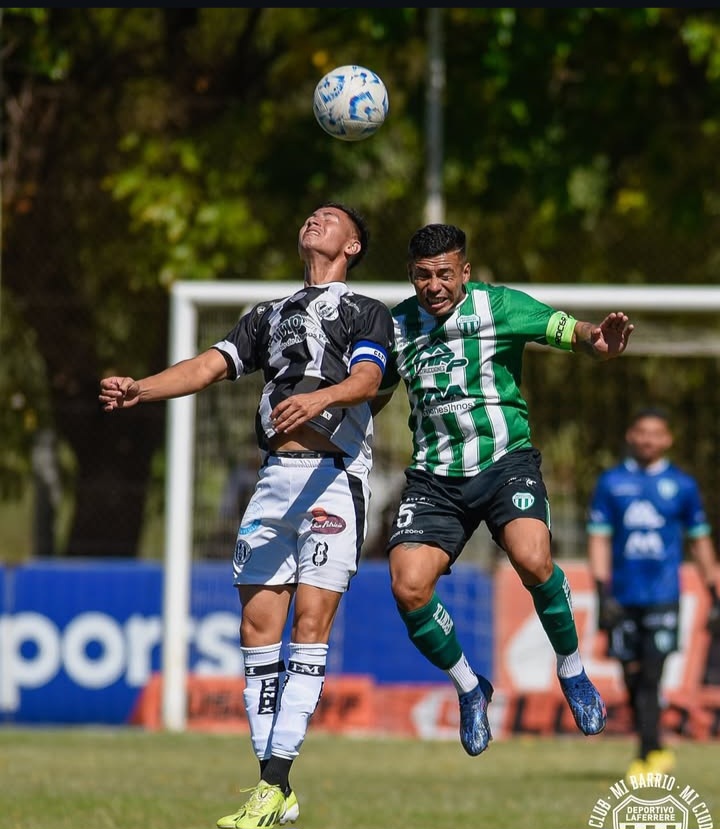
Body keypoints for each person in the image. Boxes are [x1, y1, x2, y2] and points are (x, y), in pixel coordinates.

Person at [99, 203, 394, 829]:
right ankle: (275, 790)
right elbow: (209, 367)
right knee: (260, 634)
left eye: (330, 217)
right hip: (273, 484)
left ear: (354, 245)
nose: (313, 220)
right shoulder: (268, 315)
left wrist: (318, 398)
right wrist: (141, 389)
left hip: (332, 481)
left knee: (310, 626)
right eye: (309, 214)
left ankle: (272, 784)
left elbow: (369, 378)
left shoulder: (367, 311)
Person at [371, 222, 634, 757]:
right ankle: (470, 686)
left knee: (533, 558)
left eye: (445, 274)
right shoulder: (395, 325)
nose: (434, 285)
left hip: (504, 462)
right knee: (408, 588)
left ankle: (572, 668)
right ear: (411, 277)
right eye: (423, 276)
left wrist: (597, 341)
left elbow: (568, 330)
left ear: (464, 271)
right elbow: (372, 390)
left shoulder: (500, 306)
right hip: (434, 479)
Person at [587, 407, 720, 777]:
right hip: (623, 596)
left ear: (667, 439)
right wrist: (602, 593)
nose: (648, 439)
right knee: (629, 675)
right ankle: (655, 745)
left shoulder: (682, 486)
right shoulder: (611, 483)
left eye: (655, 433)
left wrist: (714, 592)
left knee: (651, 675)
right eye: (642, 432)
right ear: (631, 435)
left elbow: (700, 541)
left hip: (663, 596)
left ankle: (646, 755)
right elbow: (599, 539)